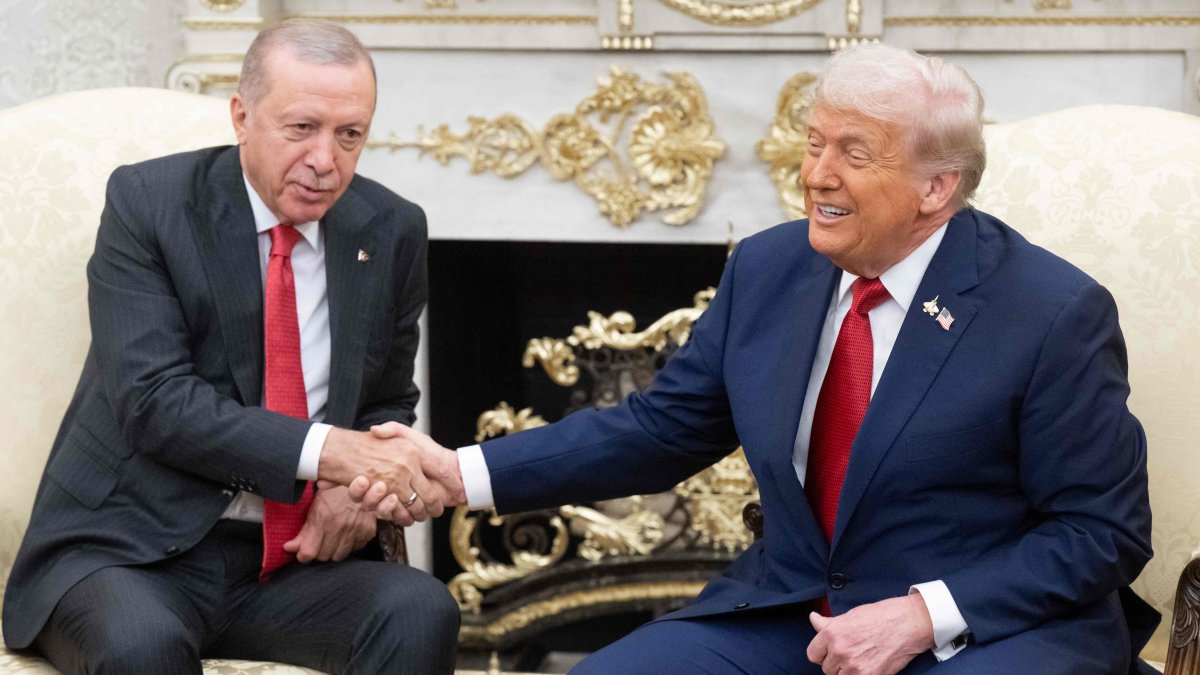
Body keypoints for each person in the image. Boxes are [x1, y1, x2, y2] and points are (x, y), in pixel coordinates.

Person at [369, 44, 1157, 673]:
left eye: (855, 152)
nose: (818, 174)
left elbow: (1101, 532)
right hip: (793, 612)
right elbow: (660, 427)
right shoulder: (772, 268)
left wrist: (923, 614)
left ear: (936, 186)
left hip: (987, 630)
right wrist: (456, 472)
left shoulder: (1051, 313)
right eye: (814, 143)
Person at [2, 19, 458, 675]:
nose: (327, 160)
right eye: (302, 128)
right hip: (131, 550)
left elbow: (387, 398)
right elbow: (154, 400)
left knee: (421, 609)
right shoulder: (149, 204)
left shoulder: (390, 228)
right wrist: (331, 453)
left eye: (350, 134)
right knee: (141, 647)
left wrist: (355, 490)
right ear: (242, 116)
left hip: (295, 560)